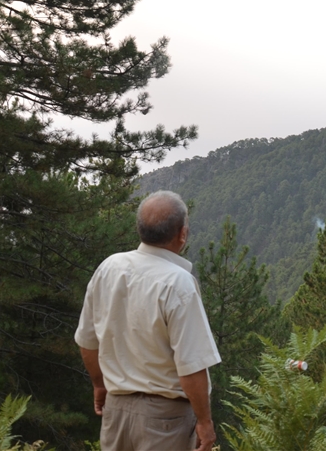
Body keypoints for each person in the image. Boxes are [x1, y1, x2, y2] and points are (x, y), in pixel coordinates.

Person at [75, 190, 221, 451]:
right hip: (166, 419)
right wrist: (204, 421)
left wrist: (99, 384)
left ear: (140, 229)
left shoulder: (109, 268)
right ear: (182, 233)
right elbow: (191, 367)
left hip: (116, 411)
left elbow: (87, 342)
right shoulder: (179, 283)